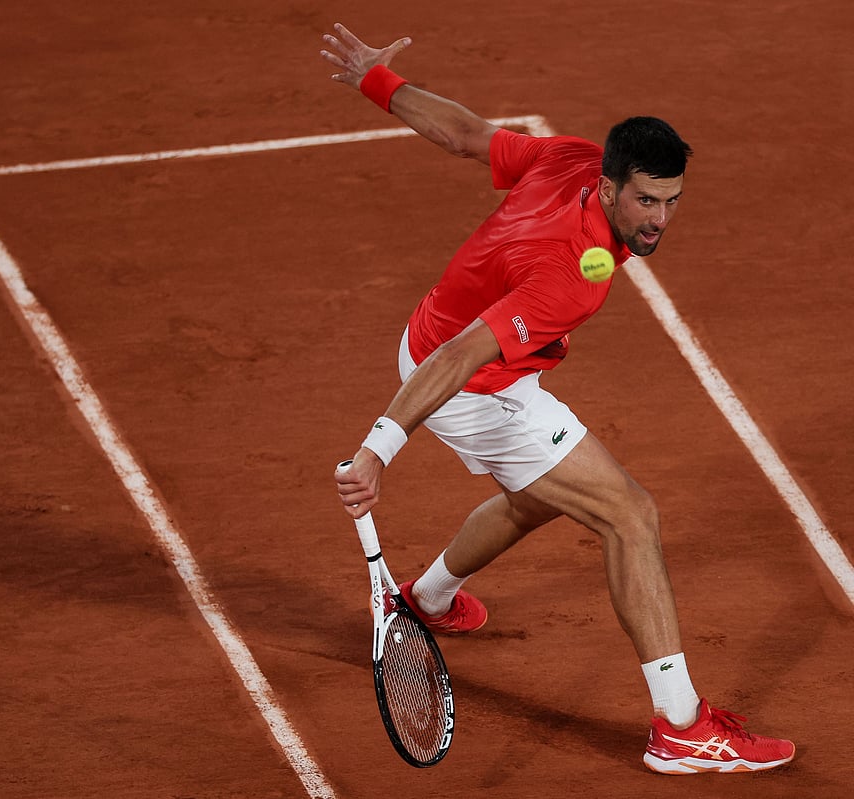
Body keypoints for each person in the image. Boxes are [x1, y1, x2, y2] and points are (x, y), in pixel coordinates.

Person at [321, 22, 795, 775]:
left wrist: (381, 82)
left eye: (670, 201)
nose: (658, 221)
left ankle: (430, 598)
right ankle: (680, 726)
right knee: (629, 514)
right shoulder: (572, 274)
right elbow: (464, 355)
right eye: (645, 201)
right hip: (469, 380)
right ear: (610, 187)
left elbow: (468, 134)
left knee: (542, 493)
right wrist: (380, 446)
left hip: (434, 334)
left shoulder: (572, 157)